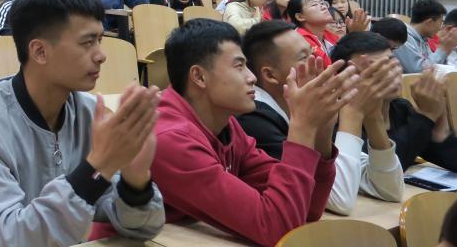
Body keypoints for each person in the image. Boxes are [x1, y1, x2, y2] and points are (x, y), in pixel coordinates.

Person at [0, 0, 165, 245]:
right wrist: (98, 166)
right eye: (87, 43)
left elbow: (142, 228)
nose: (101, 55)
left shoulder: (89, 113)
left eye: (100, 40)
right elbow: (4, 239)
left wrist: (136, 181)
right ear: (39, 51)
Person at [151, 18, 357, 247]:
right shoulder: (171, 139)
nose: (252, 77)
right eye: (239, 66)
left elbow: (309, 208)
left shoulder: (227, 126)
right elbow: (277, 229)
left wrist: (322, 134)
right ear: (199, 77)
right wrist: (303, 126)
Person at [238, 25, 403, 215]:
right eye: (304, 58)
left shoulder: (311, 104)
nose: (320, 63)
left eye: (314, 53)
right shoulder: (255, 119)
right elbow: (339, 200)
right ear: (270, 75)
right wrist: (354, 113)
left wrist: (373, 117)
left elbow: (390, 190)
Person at [330, 37, 457, 175]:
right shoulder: (339, 121)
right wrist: (426, 117)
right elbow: (385, 173)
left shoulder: (401, 109)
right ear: (350, 75)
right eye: (378, 67)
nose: (392, 73)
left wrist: (440, 124)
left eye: (393, 63)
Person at [394, 0, 457, 73]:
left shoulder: (423, 39)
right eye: (440, 23)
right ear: (430, 22)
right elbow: (417, 71)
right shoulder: (403, 38)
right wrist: (443, 49)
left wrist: (446, 50)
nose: (440, 28)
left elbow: (433, 65)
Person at [286, 0, 339, 66]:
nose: (324, 7)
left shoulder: (328, 34)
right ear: (300, 17)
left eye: (322, 3)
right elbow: (330, 66)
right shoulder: (300, 39)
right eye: (314, 5)